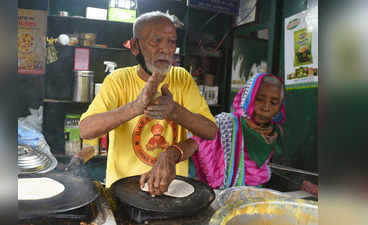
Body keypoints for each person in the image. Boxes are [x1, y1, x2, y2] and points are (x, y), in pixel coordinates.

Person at [79, 11, 217, 195]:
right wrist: (135, 107)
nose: (166, 49)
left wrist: (174, 110)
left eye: (171, 42)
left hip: (172, 191)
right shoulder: (117, 80)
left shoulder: (182, 78)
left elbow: (210, 131)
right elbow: (85, 129)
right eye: (156, 41)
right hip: (124, 192)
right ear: (135, 46)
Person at [191, 72, 285, 189]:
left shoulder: (275, 131)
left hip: (258, 192)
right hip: (228, 193)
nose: (265, 107)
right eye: (259, 99)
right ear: (248, 98)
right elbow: (198, 140)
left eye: (273, 103)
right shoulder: (227, 123)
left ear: (280, 106)